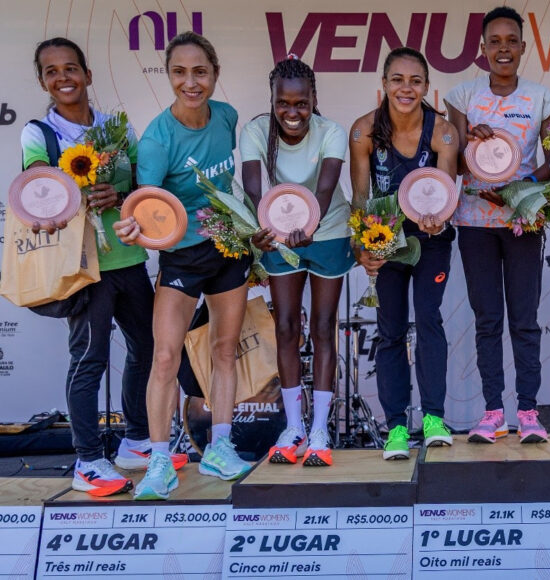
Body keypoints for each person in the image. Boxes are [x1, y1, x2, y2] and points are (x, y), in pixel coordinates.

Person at [20, 38, 182, 496]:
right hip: (82, 266)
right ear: (42, 82)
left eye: (71, 68)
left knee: (147, 347)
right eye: (52, 71)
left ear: (88, 75)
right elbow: (39, 188)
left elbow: (143, 183)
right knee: (89, 358)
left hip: (127, 258)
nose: (63, 77)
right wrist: (77, 191)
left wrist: (120, 192)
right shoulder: (38, 133)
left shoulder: (116, 128)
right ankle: (88, 461)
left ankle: (136, 441)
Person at [115, 31, 252, 499]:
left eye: (200, 72)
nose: (190, 82)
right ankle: (158, 462)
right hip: (182, 256)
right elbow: (146, 206)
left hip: (228, 248)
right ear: (169, 76)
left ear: (215, 74)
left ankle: (220, 447)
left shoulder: (227, 116)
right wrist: (132, 226)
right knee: (165, 356)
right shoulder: (158, 139)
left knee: (224, 351)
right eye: (179, 72)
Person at [444, 6, 550, 444]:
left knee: (524, 320)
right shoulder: (462, 96)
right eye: (495, 41)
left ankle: (528, 411)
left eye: (511, 41)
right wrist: (469, 143)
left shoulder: (541, 97)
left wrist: (521, 190)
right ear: (483, 48)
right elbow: (452, 163)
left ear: (523, 47)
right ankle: (493, 412)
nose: (503, 49)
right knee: (488, 320)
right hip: (474, 221)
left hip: (523, 220)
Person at [241, 55, 354, 467]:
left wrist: (309, 225)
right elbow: (254, 190)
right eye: (283, 103)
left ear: (314, 99)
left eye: (301, 103)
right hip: (277, 232)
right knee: (286, 327)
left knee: (323, 327)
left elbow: (324, 190)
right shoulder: (254, 131)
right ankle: (294, 428)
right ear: (272, 100)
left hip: (326, 230)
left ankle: (320, 429)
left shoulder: (331, 132)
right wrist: (267, 229)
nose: (292, 113)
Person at [349, 47, 459, 460]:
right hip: (386, 237)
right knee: (390, 329)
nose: (406, 88)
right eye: (397, 79)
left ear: (427, 86)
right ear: (384, 84)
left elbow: (446, 199)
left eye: (415, 81)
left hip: (431, 239)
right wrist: (361, 247)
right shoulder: (363, 131)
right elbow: (360, 199)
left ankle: (433, 420)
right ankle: (396, 426)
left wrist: (438, 223)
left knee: (428, 319)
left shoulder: (443, 132)